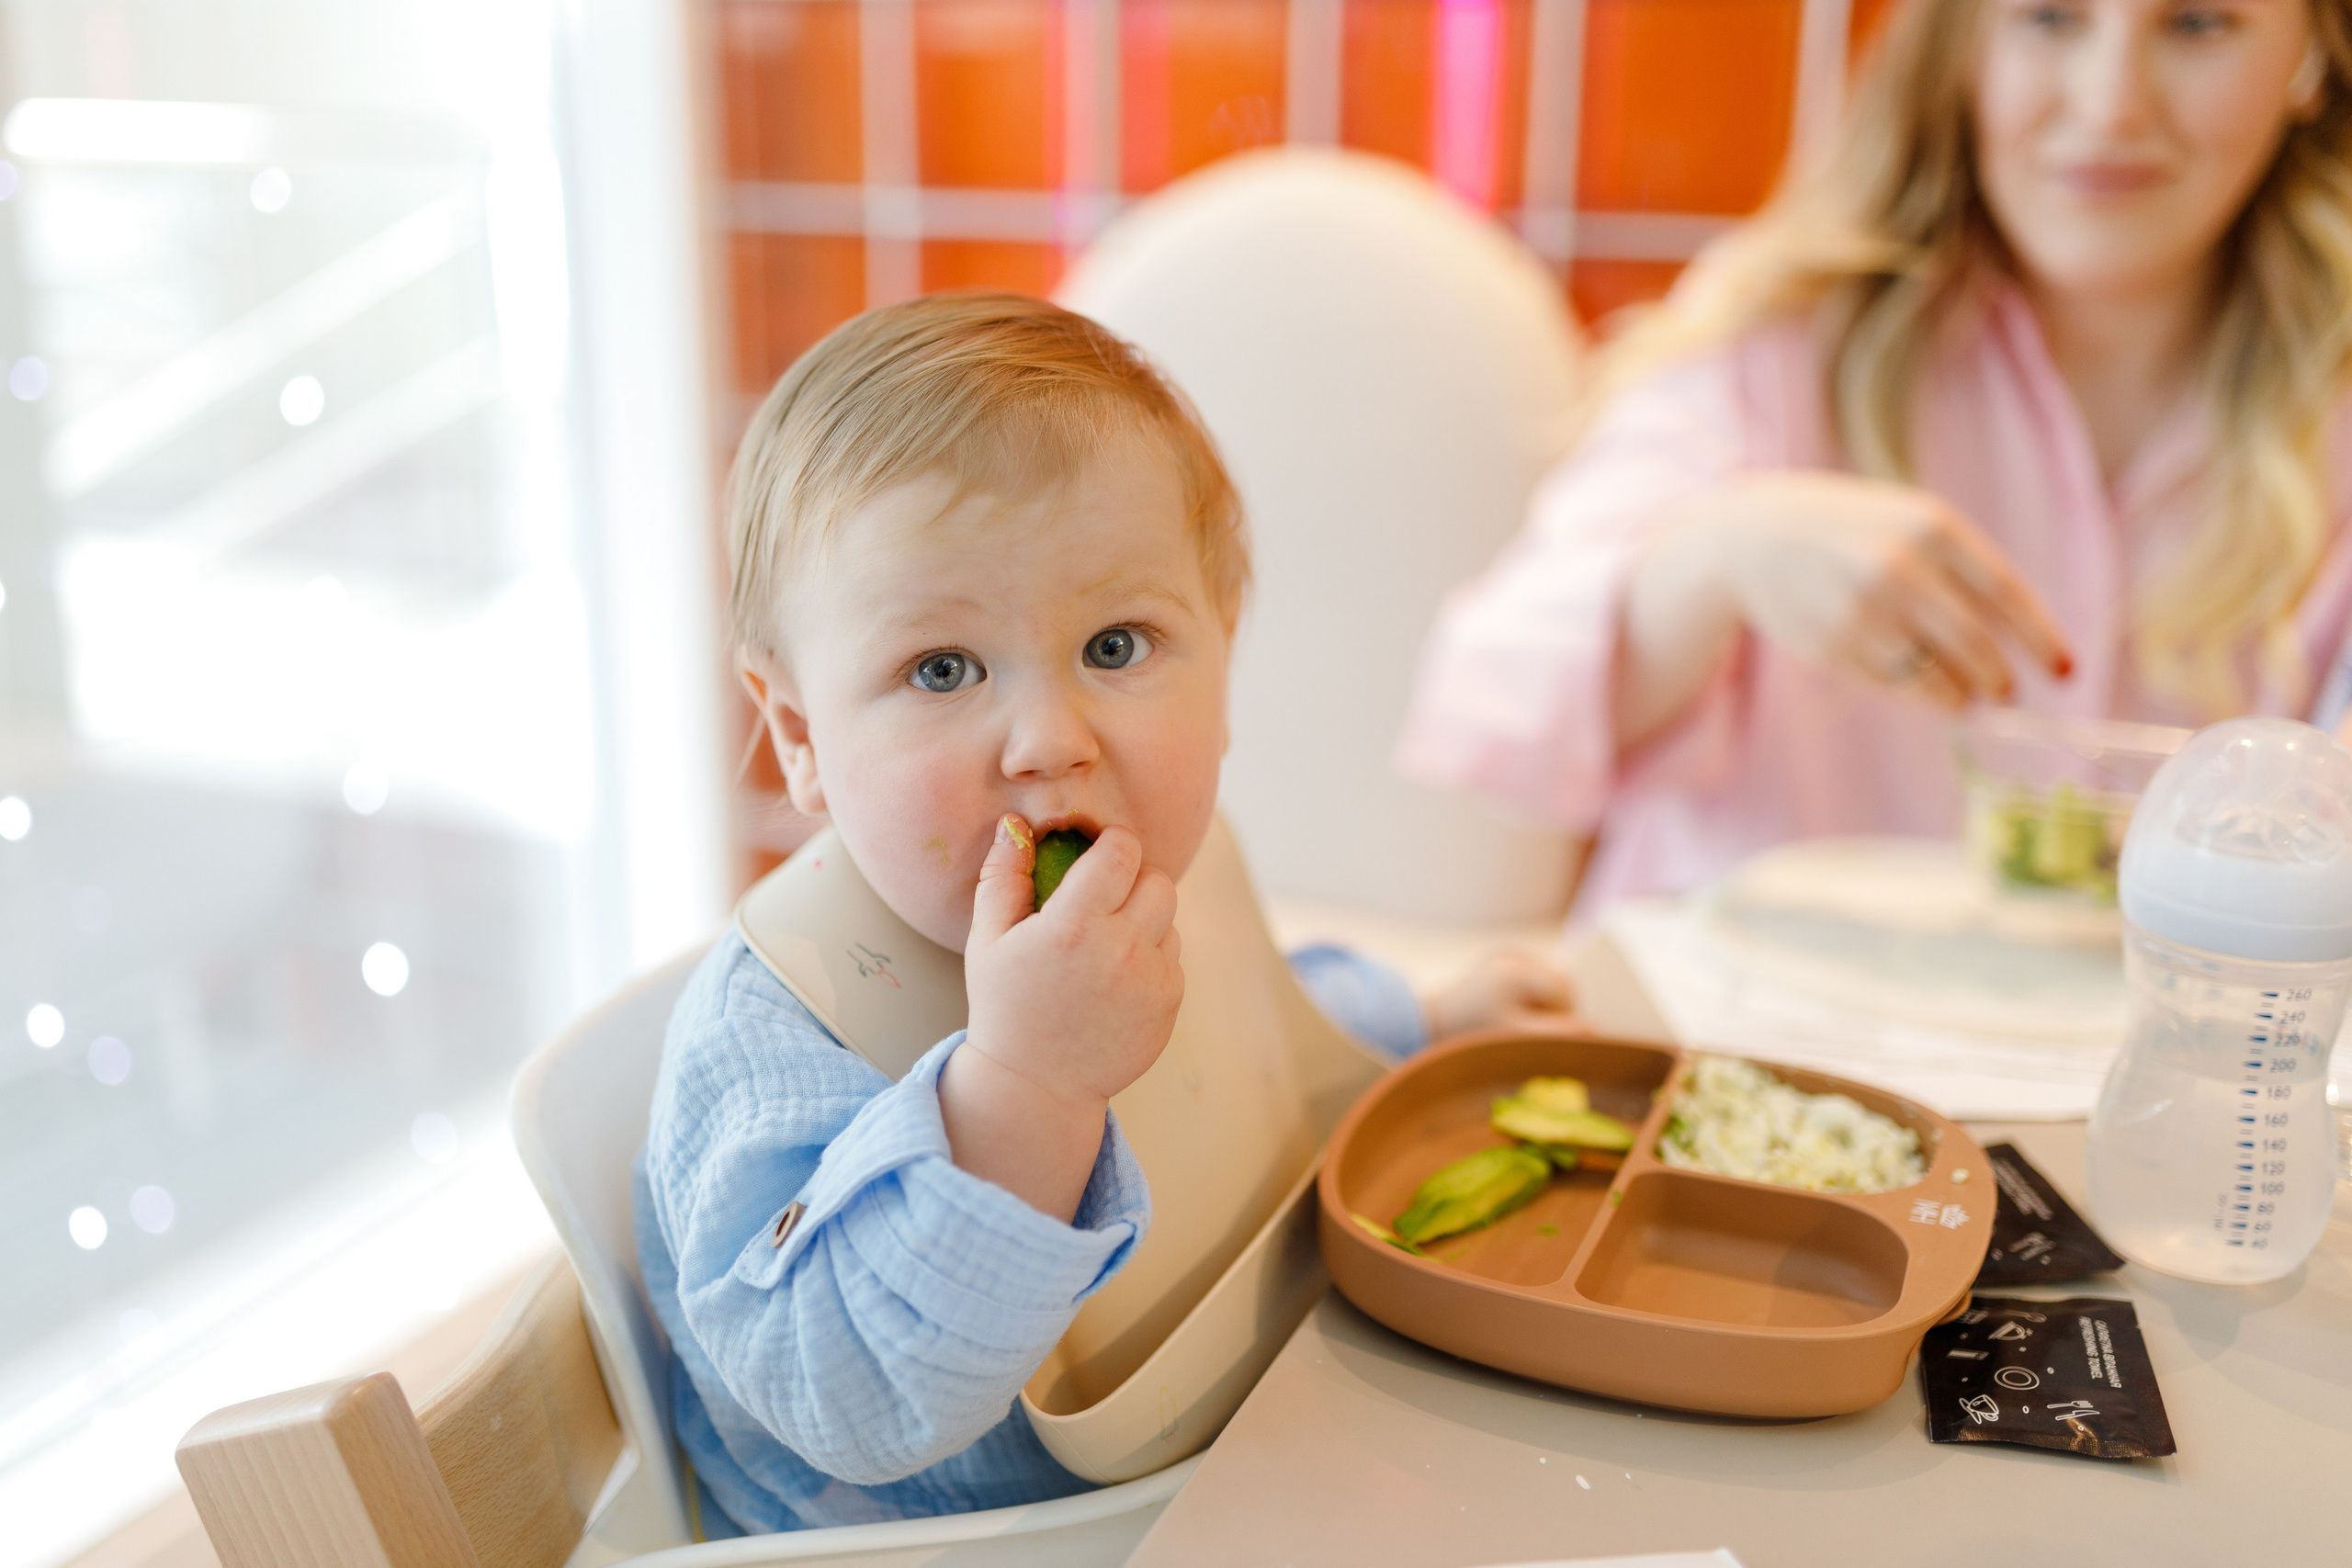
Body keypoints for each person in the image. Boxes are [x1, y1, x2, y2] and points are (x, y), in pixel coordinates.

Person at [635, 294, 1571, 1537]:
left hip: (1231, 1466)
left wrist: (1420, 1010)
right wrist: (1025, 1083)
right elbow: (841, 1386)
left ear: (1225, 663)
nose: (1050, 742)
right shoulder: (780, 1032)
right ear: (800, 732)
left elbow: (1239, 1043)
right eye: (943, 668)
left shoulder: (1153, 882)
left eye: (1117, 644)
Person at [1399, 0, 2352, 915]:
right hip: (1732, 1043)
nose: (2110, 105)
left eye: (2198, 24)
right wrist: (1723, 554)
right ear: (1959, 44)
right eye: (2049, 18)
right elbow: (1489, 707)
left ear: (2310, 58)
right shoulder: (1779, 341)